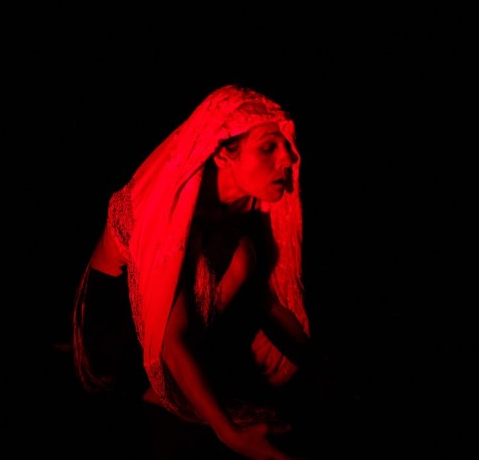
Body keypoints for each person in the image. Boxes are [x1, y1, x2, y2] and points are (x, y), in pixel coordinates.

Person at [72, 84, 343, 460]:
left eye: (287, 146)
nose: (289, 158)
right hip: (116, 345)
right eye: (268, 147)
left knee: (244, 259)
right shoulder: (166, 210)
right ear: (222, 153)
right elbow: (171, 340)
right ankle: (154, 395)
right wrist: (232, 435)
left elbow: (265, 305)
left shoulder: (235, 213)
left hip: (183, 339)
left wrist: (324, 372)